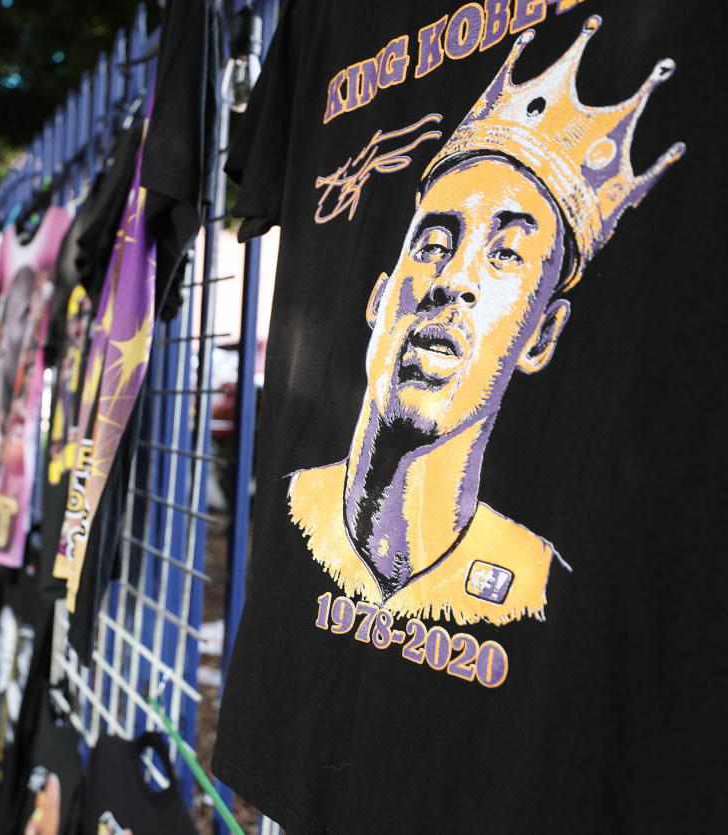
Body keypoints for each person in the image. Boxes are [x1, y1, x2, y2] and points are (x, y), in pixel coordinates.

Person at [286, 18, 684, 627]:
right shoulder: (290, 510)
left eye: (506, 254)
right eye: (433, 243)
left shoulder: (541, 591)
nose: (453, 280)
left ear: (542, 337)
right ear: (379, 299)